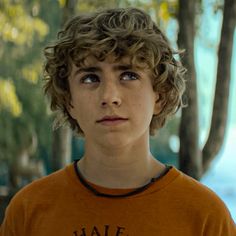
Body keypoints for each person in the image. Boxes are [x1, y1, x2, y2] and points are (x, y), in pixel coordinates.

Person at [0, 7, 235, 236]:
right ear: (69, 99)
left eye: (129, 75)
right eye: (90, 78)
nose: (109, 97)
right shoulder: (29, 210)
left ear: (159, 96)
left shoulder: (205, 217)